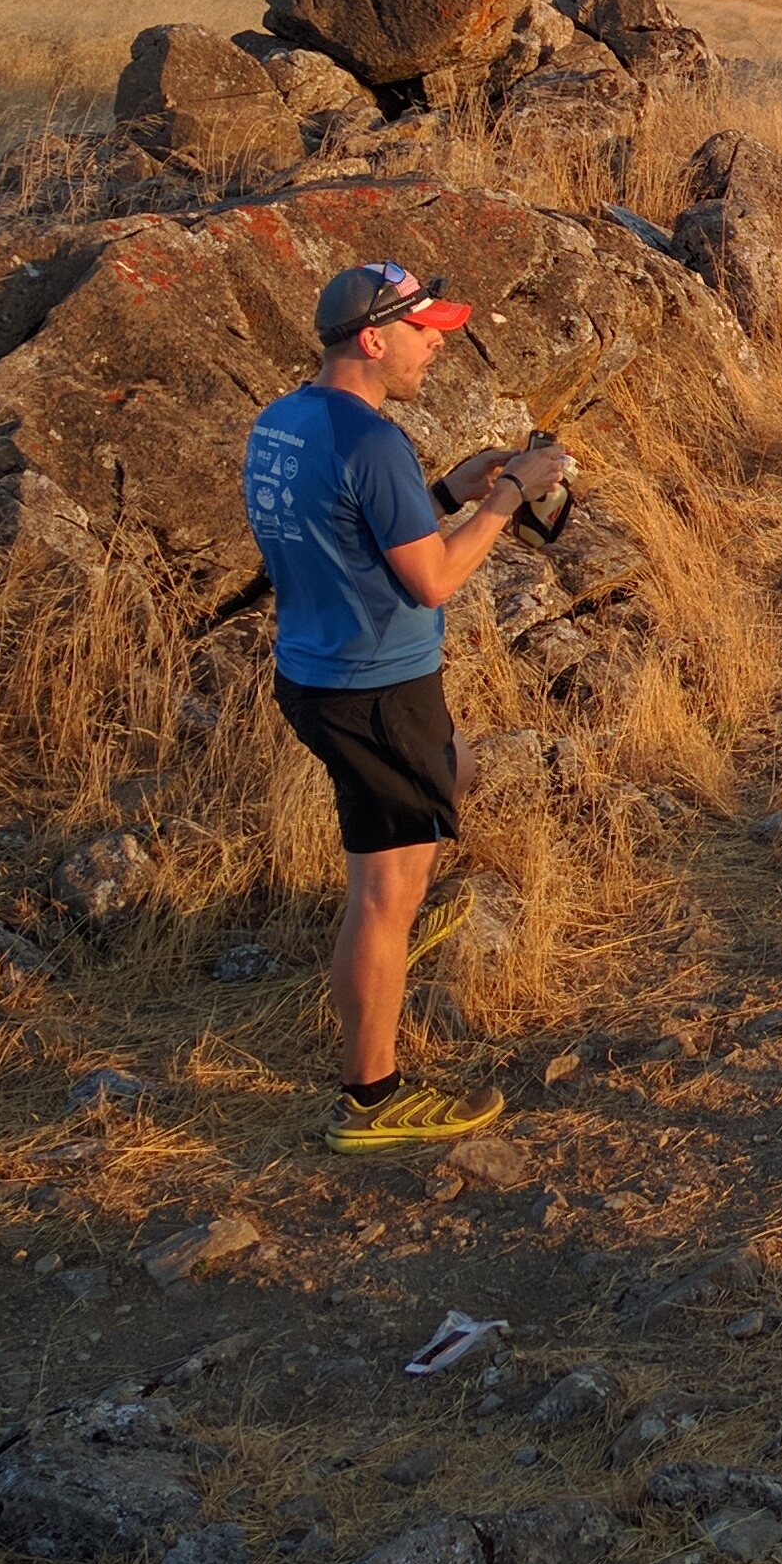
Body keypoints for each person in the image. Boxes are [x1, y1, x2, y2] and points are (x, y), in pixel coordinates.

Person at [238, 261, 568, 1154]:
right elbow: (433, 581)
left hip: (317, 674)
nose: (438, 346)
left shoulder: (285, 422)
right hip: (374, 688)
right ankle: (371, 1097)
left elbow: (341, 530)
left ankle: (377, 961)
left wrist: (452, 491)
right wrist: (510, 493)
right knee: (383, 894)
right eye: (425, 332)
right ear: (374, 338)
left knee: (450, 770)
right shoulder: (372, 440)